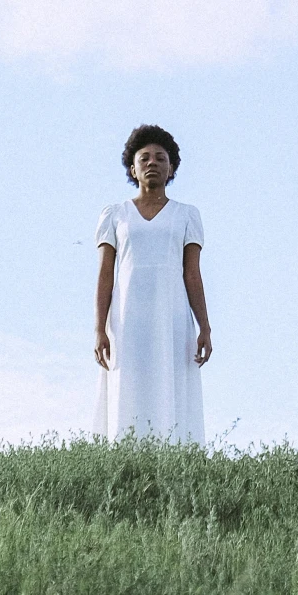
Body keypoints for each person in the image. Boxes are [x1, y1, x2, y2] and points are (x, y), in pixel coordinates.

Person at [94, 125, 212, 443]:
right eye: (144, 157)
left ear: (171, 167)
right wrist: (99, 328)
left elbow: (192, 274)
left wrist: (205, 327)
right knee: (128, 387)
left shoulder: (187, 215)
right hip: (126, 319)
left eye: (161, 158)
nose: (152, 163)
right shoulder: (115, 215)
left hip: (172, 318)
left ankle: (175, 457)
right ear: (132, 167)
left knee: (171, 384)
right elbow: (106, 274)